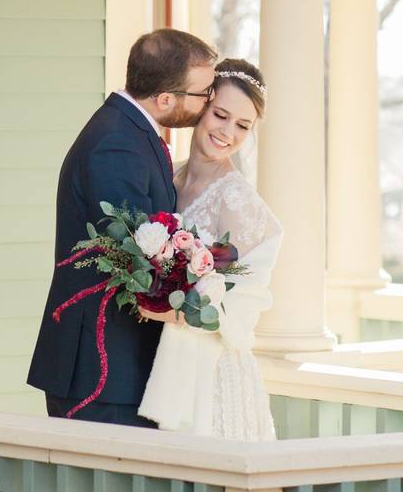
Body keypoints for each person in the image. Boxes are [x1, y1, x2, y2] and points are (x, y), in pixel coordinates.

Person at [27, 29, 217, 427]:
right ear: (166, 99)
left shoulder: (130, 131)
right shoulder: (116, 143)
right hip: (101, 369)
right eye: (204, 93)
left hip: (124, 366)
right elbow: (136, 257)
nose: (209, 101)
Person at [138, 59, 280, 440]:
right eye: (221, 114)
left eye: (243, 126)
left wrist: (171, 310)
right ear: (203, 107)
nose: (228, 132)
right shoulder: (169, 174)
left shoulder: (236, 199)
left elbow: (244, 301)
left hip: (209, 374)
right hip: (157, 361)